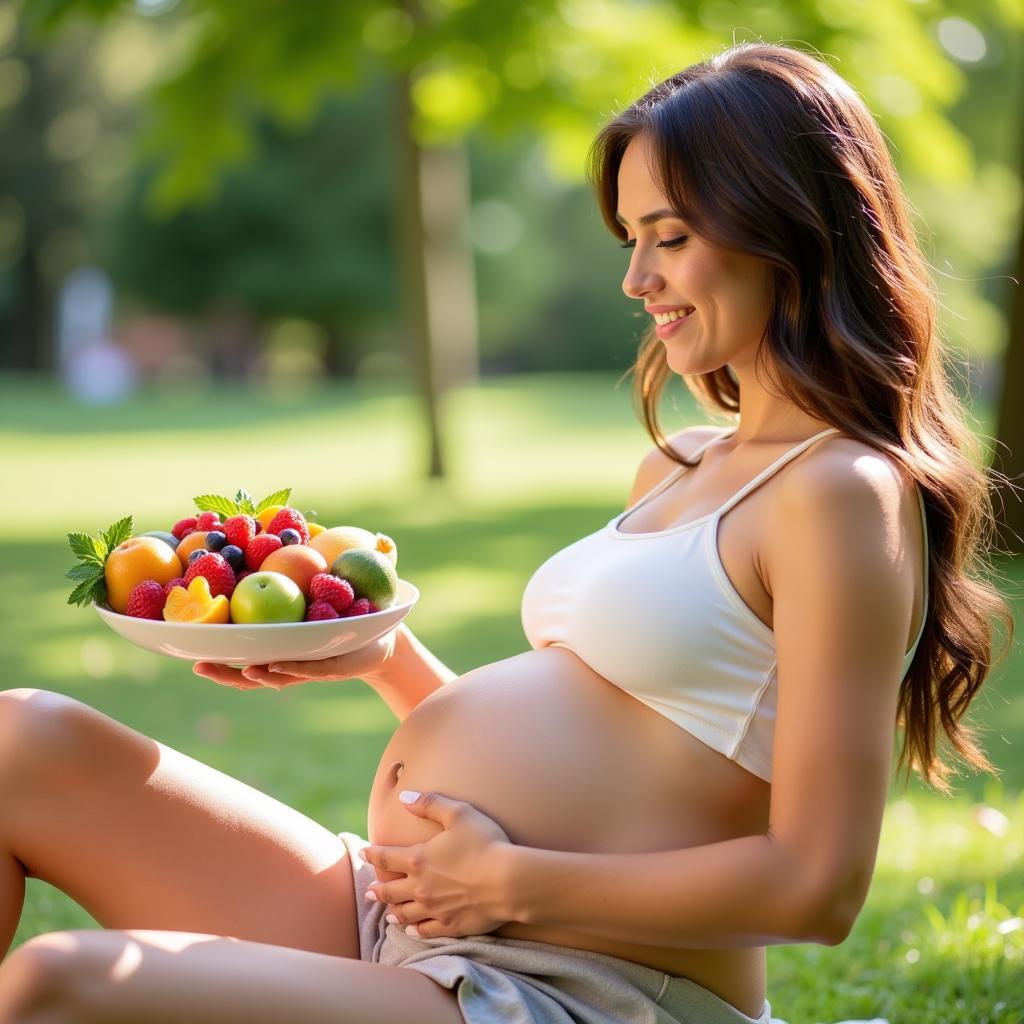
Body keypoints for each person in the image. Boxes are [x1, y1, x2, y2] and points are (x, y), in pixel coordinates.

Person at [0, 41, 1012, 1024]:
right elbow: (622, 761)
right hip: (413, 914)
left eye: (670, 235)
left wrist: (510, 883)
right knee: (19, 737)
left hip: (569, 987)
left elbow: (815, 885)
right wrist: (384, 659)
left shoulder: (839, 492)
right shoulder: (680, 464)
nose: (637, 279)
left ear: (787, 226)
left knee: (59, 983)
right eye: (631, 240)